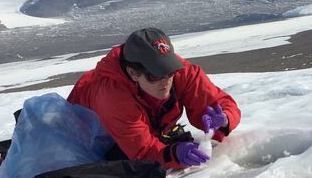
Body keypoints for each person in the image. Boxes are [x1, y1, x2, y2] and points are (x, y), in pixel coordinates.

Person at [67, 27, 241, 169]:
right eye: (155, 76)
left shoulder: (181, 72)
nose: (166, 81)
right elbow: (141, 150)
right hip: (91, 137)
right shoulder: (111, 96)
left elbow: (219, 103)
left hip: (136, 129)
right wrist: (171, 154)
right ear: (133, 73)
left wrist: (224, 119)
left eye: (169, 71)